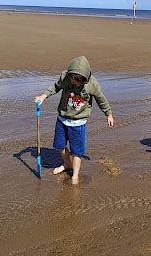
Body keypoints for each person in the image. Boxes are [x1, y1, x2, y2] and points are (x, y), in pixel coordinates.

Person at [34, 56, 114, 184]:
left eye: (80, 80)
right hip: (62, 118)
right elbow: (55, 87)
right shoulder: (65, 78)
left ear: (86, 80)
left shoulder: (92, 84)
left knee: (77, 151)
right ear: (70, 74)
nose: (76, 82)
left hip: (78, 122)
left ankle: (75, 175)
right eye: (74, 79)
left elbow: (101, 99)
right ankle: (67, 164)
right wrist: (43, 96)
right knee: (59, 145)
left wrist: (108, 113)